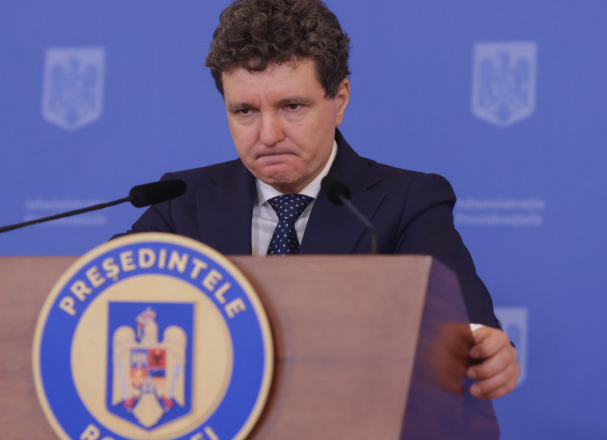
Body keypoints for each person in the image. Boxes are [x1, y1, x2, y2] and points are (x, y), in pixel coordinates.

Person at [123, 0, 519, 399]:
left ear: (339, 99)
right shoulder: (181, 201)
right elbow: (109, 294)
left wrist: (480, 344)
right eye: (244, 111)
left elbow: (461, 311)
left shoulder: (407, 202)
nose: (268, 134)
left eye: (291, 107)